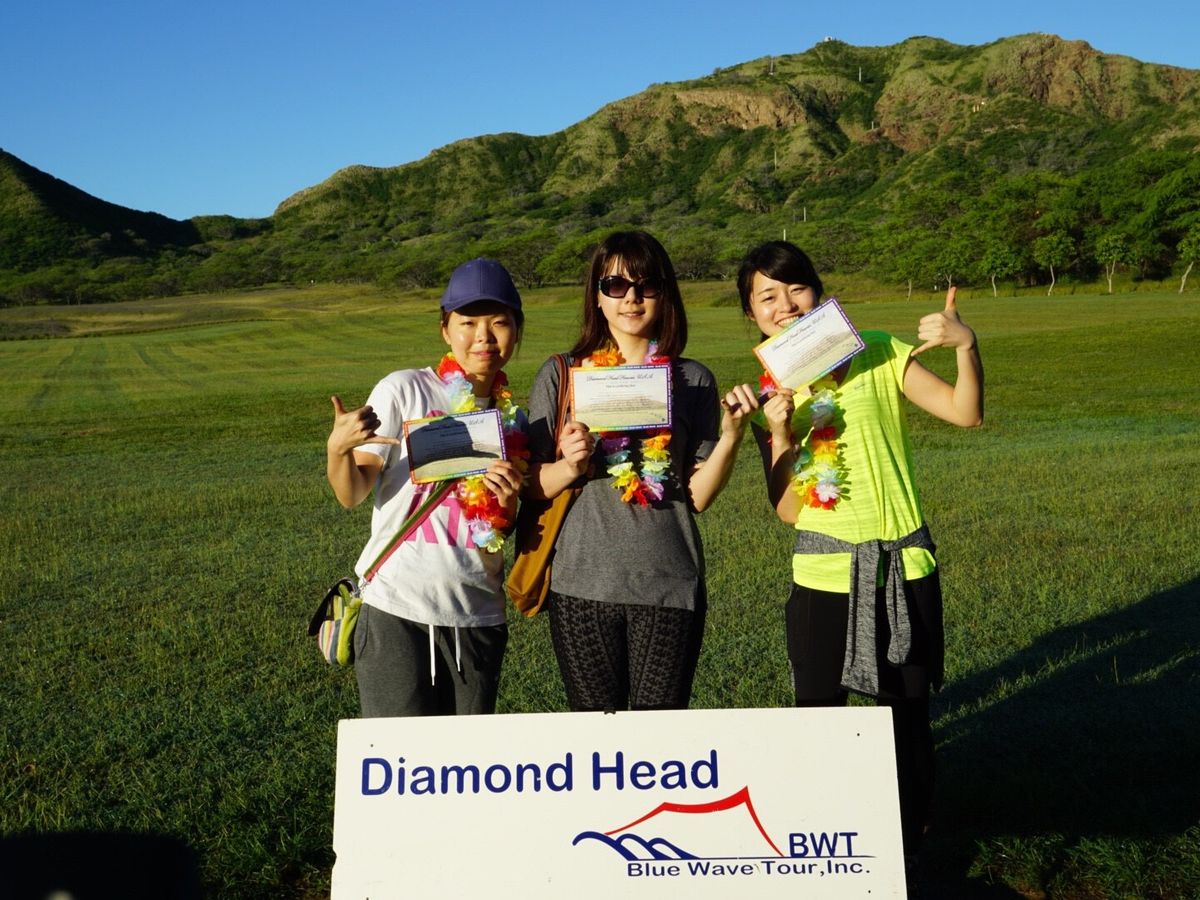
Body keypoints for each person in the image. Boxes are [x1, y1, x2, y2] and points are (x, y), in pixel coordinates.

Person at [731, 240, 983, 862]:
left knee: (907, 720)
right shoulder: (770, 395)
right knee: (821, 720)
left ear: (819, 292)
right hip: (822, 575)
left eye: (796, 288)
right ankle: (829, 850)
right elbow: (789, 511)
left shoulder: (877, 349)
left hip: (903, 565)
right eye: (767, 297)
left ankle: (909, 853)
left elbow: (965, 413)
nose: (786, 305)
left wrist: (965, 345)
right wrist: (780, 432)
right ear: (751, 314)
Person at [526, 230, 755, 712]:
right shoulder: (562, 374)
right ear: (597, 297)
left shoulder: (693, 379)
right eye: (615, 285)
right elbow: (532, 485)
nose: (631, 297)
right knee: (595, 733)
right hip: (582, 583)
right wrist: (569, 464)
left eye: (646, 285)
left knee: (661, 734)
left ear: (664, 294)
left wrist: (731, 437)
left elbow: (698, 496)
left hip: (668, 580)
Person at [325, 258, 528, 717]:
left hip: (478, 613)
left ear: (517, 330)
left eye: (499, 322)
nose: (483, 336)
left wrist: (508, 501)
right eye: (468, 323)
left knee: (467, 758)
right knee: (398, 754)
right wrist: (338, 450)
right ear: (445, 330)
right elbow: (351, 492)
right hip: (398, 607)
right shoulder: (405, 390)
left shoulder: (513, 418)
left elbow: (500, 528)